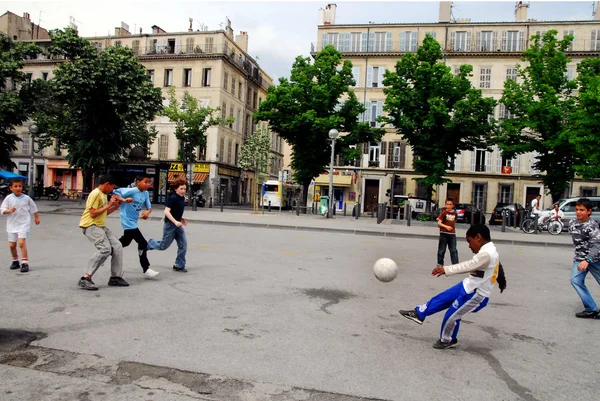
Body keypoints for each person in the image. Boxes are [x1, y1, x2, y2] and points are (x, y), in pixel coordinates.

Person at [399, 225, 507, 349]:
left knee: (452, 316)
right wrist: (502, 282)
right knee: (442, 298)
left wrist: (446, 269)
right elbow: (499, 266)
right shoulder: (489, 250)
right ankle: (419, 313)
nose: (469, 246)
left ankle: (448, 340)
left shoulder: (487, 254)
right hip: (468, 285)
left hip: (477, 295)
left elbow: (468, 265)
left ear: (478, 238)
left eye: (469, 242)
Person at [78, 174, 129, 291]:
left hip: (101, 226)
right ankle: (85, 278)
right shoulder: (95, 194)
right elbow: (93, 213)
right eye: (112, 187)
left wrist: (115, 207)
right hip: (90, 225)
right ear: (107, 184)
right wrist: (110, 204)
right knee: (105, 249)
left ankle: (115, 277)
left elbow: (103, 213)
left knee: (117, 246)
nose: (112, 190)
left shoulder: (103, 195)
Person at [114, 174, 159, 279]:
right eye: (146, 182)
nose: (148, 184)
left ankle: (108, 251)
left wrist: (147, 212)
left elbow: (149, 207)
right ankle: (146, 269)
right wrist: (124, 200)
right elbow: (115, 193)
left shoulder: (146, 193)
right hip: (127, 221)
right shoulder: (131, 191)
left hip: (134, 221)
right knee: (143, 243)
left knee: (124, 242)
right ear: (138, 182)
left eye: (149, 182)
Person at [568, 198, 600, 319]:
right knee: (576, 281)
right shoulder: (572, 223)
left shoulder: (592, 226)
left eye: (582, 210)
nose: (578, 212)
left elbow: (597, 245)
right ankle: (591, 309)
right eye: (577, 209)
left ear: (589, 211)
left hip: (595, 259)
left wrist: (588, 260)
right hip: (580, 259)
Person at [147, 178, 188, 272]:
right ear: (176, 189)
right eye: (181, 189)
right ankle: (148, 244)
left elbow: (176, 211)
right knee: (163, 246)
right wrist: (175, 222)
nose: (183, 191)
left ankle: (179, 265)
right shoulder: (173, 198)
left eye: (184, 189)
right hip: (170, 225)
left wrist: (181, 219)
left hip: (178, 225)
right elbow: (166, 211)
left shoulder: (182, 198)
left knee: (183, 245)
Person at [0, 178, 40, 273]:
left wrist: (36, 217)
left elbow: (34, 208)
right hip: (11, 225)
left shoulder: (27, 198)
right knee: (12, 245)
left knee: (21, 243)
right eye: (15, 186)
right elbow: (2, 210)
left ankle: (25, 262)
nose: (18, 188)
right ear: (11, 188)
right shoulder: (9, 198)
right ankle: (15, 261)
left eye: (20, 186)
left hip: (23, 224)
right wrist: (9, 211)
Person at [437, 197, 459, 268]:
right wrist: (446, 227)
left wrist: (451, 228)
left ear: (453, 205)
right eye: (447, 204)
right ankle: (440, 263)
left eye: (450, 204)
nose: (448, 206)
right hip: (444, 233)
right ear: (445, 205)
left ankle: (455, 264)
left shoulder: (455, 213)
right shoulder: (444, 213)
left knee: (453, 250)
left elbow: (455, 221)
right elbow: (439, 223)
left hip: (452, 234)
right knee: (442, 250)